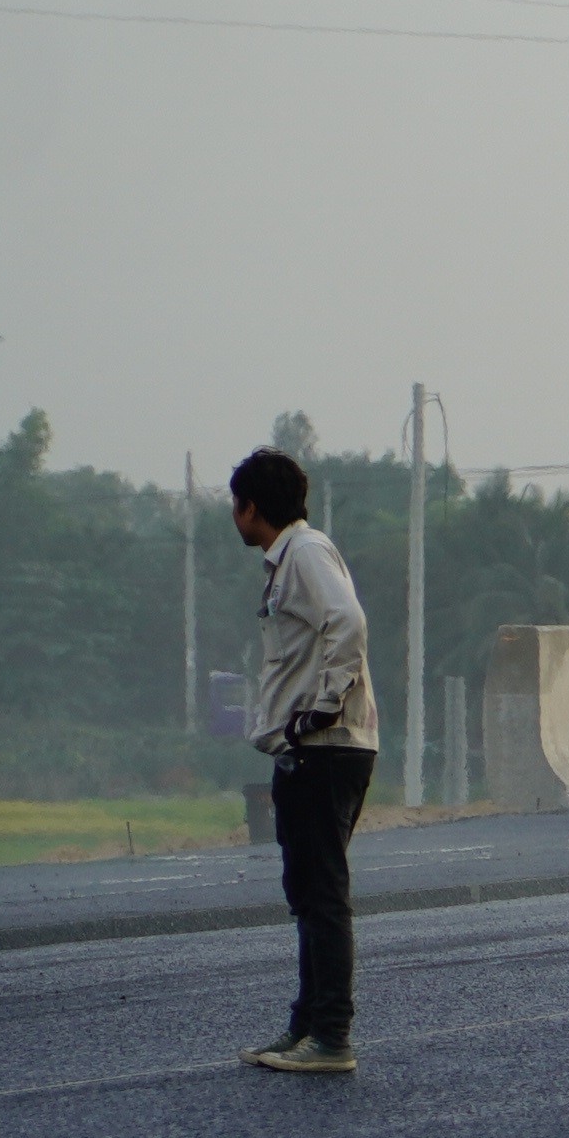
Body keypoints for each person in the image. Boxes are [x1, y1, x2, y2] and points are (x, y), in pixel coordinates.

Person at [233, 448, 377, 1075]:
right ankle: (306, 1025)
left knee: (322, 895)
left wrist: (323, 706)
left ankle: (333, 1036)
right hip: (304, 751)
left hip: (327, 747)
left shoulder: (307, 552)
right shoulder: (289, 558)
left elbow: (347, 620)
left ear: (251, 507)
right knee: (306, 893)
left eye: (235, 508)